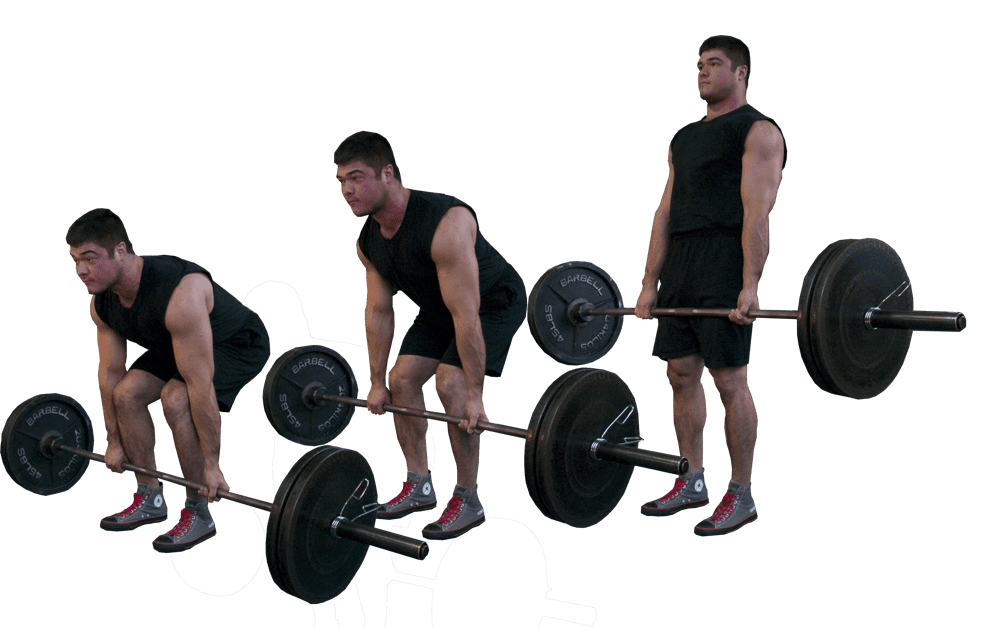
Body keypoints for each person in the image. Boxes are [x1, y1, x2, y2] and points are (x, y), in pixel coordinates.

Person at [335, 131, 527, 540]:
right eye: (341, 181)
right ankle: (419, 483)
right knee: (401, 381)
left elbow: (466, 313)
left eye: (356, 177)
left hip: (491, 303)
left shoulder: (446, 223)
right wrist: (374, 383)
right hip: (440, 307)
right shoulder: (369, 242)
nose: (347, 190)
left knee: (451, 383)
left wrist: (475, 396)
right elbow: (379, 312)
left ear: (387, 173)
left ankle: (468, 498)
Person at [634, 36, 787, 536]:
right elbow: (662, 212)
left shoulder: (758, 130)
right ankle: (691, 478)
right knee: (680, 374)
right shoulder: (682, 137)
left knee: (729, 380)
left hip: (724, 258)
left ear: (741, 72)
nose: (702, 72)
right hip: (681, 262)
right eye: (698, 64)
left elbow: (757, 213)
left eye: (714, 64)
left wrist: (749, 283)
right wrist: (650, 282)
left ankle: (741, 493)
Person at [66, 208, 271, 552]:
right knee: (126, 394)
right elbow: (110, 374)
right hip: (173, 342)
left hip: (236, 342)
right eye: (74, 261)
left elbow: (199, 384)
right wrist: (113, 441)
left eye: (89, 259)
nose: (80, 271)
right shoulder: (103, 303)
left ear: (120, 250)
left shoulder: (179, 293)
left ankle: (198, 510)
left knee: (176, 398)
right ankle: (150, 497)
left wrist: (212, 464)